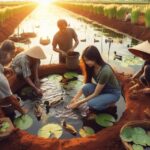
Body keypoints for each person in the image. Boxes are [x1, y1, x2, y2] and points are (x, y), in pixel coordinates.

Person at [67, 46, 121, 112]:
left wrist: (78, 103)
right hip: (102, 89)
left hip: (112, 93)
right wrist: (75, 98)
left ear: (95, 58)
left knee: (91, 104)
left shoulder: (105, 71)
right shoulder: (91, 67)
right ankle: (100, 99)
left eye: (88, 60)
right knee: (85, 87)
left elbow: (96, 93)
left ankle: (110, 104)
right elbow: (87, 84)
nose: (87, 62)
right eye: (85, 60)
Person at [0, 40, 26, 117]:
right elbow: (12, 100)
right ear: (7, 54)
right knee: (10, 113)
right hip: (4, 106)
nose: (12, 58)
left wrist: (4, 69)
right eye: (12, 55)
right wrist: (23, 113)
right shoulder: (2, 79)